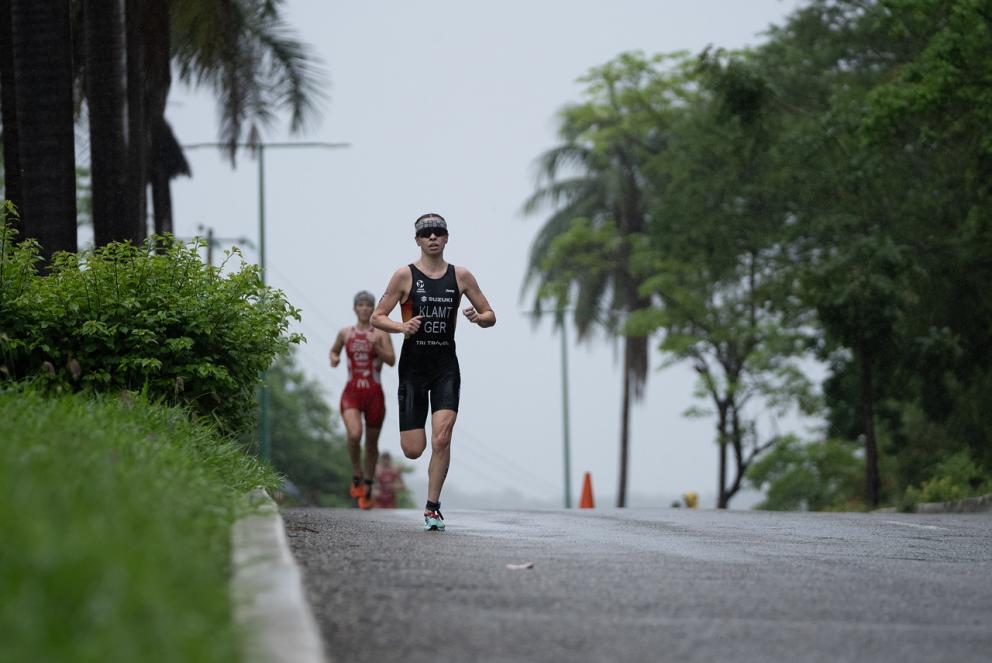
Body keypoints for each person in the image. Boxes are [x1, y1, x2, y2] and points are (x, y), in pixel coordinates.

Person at [371, 212, 495, 531]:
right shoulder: (404, 276)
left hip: (445, 365)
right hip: (413, 366)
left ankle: (432, 507)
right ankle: (426, 488)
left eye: (438, 232)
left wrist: (479, 319)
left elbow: (490, 313)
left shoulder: (461, 276)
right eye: (426, 234)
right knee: (414, 450)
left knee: (443, 436)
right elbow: (376, 317)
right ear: (417, 240)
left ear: (447, 237)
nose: (433, 238)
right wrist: (401, 326)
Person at [330, 290, 396, 509]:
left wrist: (376, 346)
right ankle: (356, 472)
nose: (365, 309)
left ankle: (367, 484)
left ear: (373, 308)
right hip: (351, 394)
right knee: (355, 434)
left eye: (369, 305)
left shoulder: (380, 334)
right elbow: (333, 351)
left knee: (371, 443)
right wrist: (335, 358)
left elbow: (392, 360)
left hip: (374, 395)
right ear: (355, 308)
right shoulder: (345, 333)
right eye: (361, 305)